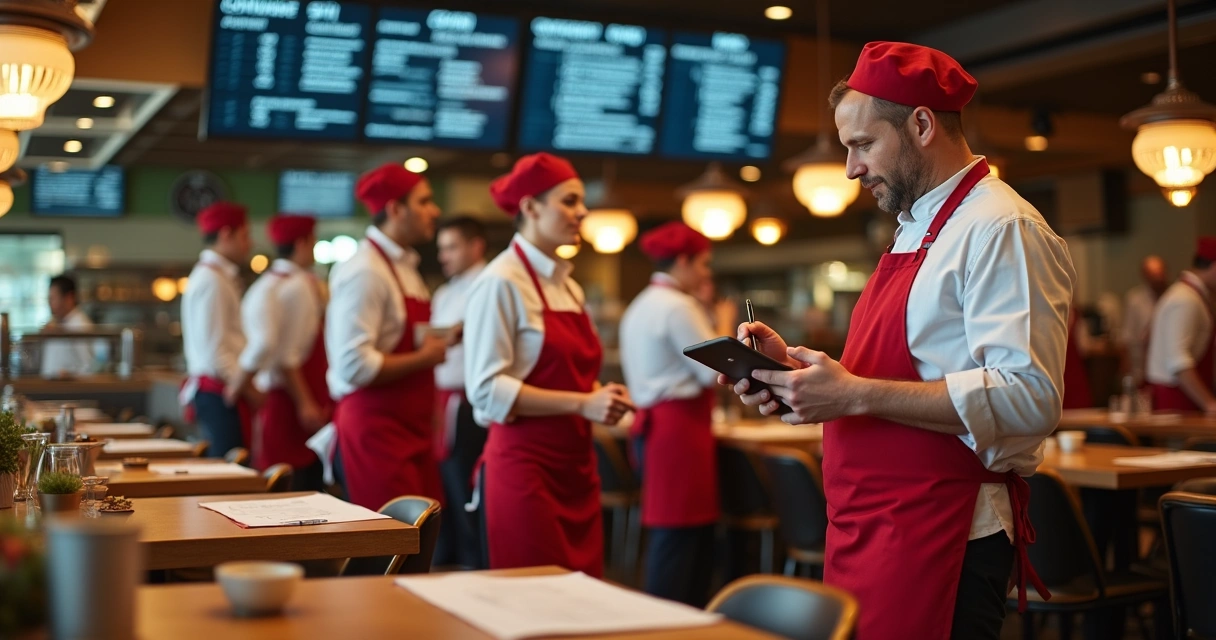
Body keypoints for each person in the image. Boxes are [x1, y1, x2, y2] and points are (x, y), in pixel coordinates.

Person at [725, 42, 1074, 639]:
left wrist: (856, 395)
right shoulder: (918, 226)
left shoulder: (1001, 227)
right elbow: (902, 372)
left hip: (943, 533)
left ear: (920, 124)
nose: (851, 168)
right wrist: (800, 376)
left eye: (862, 145)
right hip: (868, 527)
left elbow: (1029, 398)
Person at [464, 153, 634, 577]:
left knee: (582, 602)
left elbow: (574, 373)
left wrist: (601, 397)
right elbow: (485, 390)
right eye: (570, 201)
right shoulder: (501, 281)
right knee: (535, 603)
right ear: (530, 207)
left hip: (575, 468)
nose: (583, 212)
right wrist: (582, 404)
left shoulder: (569, 285)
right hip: (525, 471)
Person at [326, 163, 446, 511]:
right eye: (425, 202)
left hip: (410, 428)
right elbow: (353, 365)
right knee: (393, 550)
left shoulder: (405, 266)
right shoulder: (365, 271)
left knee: (421, 545)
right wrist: (426, 357)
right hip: (376, 432)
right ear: (395, 209)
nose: (434, 211)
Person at [619, 221, 721, 607]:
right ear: (682, 261)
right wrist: (725, 323)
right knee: (679, 531)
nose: (706, 273)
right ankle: (672, 619)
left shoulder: (641, 303)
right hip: (679, 428)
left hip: (655, 426)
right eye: (703, 264)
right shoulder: (679, 306)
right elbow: (714, 372)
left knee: (670, 528)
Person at [235, 215, 329, 488]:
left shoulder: (266, 283)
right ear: (302, 243)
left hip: (282, 395)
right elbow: (287, 356)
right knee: (295, 484)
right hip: (291, 398)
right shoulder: (300, 284)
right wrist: (306, 402)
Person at [431, 215, 489, 568]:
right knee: (444, 492)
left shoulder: (489, 285)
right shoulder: (445, 290)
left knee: (467, 490)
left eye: (451, 247)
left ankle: (474, 563)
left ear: (476, 245)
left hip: (471, 404)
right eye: (441, 249)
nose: (444, 256)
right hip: (441, 400)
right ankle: (449, 562)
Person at [181, 202, 255, 457]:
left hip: (220, 390)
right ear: (226, 234)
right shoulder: (212, 280)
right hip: (219, 393)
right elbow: (217, 352)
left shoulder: (215, 276)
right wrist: (246, 387)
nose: (250, 243)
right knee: (229, 482)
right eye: (246, 235)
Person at [1145, 238, 1216, 412]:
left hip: (1183, 398)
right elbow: (1178, 361)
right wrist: (1209, 404)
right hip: (1177, 402)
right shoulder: (1186, 299)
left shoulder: (1189, 295)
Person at [1123, 255, 1169, 385]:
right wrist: (1127, 368)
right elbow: (1127, 336)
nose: (1158, 278)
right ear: (1145, 276)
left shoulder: (1172, 297)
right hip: (1141, 365)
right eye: (1153, 275)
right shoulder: (1135, 300)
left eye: (1160, 273)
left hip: (1166, 364)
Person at [40, 275, 95, 378]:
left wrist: (70, 376)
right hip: (53, 388)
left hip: (69, 391)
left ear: (69, 298)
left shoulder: (80, 324)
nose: (49, 304)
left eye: (53, 299)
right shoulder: (59, 322)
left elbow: (88, 366)